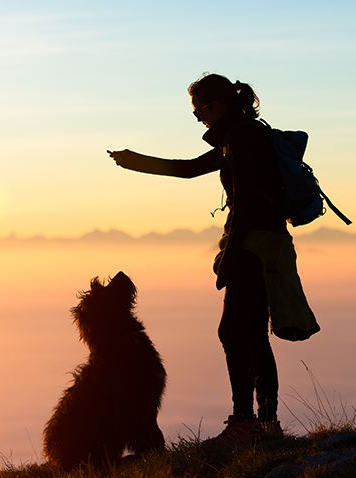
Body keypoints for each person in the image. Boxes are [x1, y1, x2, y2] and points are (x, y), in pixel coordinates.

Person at [108, 73, 286, 445]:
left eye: (199, 111)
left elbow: (248, 203)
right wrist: (134, 161)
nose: (199, 119)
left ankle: (245, 423)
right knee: (253, 334)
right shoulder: (246, 133)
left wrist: (229, 257)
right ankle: (266, 424)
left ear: (216, 106)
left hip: (252, 249)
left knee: (234, 332)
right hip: (268, 246)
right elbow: (188, 169)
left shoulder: (239, 138)